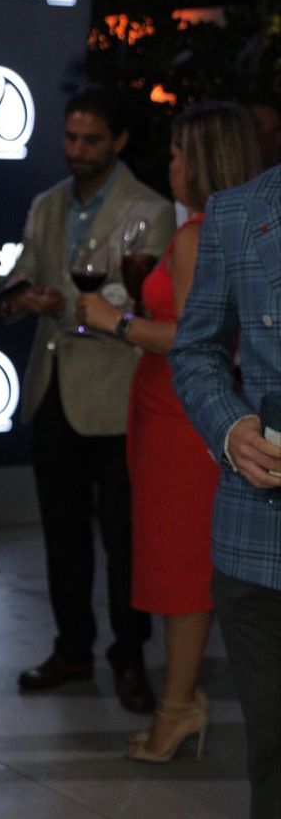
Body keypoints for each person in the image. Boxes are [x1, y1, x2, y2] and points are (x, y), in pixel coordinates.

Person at [76, 102, 262, 760]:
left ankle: (178, 707)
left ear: (205, 160)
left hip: (182, 419)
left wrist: (115, 322)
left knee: (180, 567)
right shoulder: (227, 230)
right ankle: (183, 700)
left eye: (180, 152)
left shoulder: (197, 236)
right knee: (177, 560)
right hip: (175, 415)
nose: (171, 164)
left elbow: (192, 339)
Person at [10, 84, 175, 714]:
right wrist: (26, 295)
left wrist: (83, 308)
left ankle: (130, 658)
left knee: (124, 539)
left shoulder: (150, 209)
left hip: (116, 391)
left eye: (91, 140)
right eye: (70, 137)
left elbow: (146, 301)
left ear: (120, 141)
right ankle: (72, 648)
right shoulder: (47, 203)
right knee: (62, 534)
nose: (77, 150)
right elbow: (26, 271)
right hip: (51, 387)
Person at [168, 162, 281, 819]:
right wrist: (232, 425)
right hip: (260, 538)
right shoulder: (240, 215)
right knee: (273, 751)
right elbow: (197, 351)